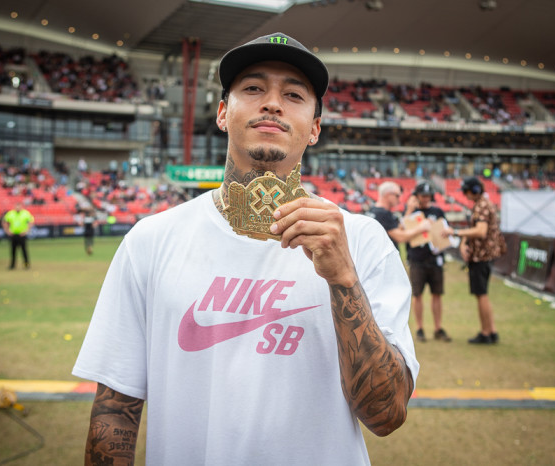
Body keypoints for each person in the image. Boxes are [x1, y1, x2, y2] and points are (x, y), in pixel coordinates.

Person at [73, 32, 419, 466]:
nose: (272, 103)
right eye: (253, 89)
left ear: (314, 128)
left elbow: (386, 415)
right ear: (222, 113)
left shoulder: (364, 241)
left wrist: (343, 279)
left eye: (293, 94)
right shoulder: (151, 240)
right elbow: (115, 412)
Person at [449, 177, 503, 344]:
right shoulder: (484, 204)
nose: (465, 195)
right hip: (484, 255)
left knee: (481, 295)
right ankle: (491, 330)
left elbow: (480, 231)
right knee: (483, 295)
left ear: (473, 190)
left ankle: (485, 332)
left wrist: (456, 233)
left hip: (481, 257)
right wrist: (465, 241)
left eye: (466, 191)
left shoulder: (481, 206)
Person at [404, 182, 452, 343]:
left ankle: (438, 328)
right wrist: (410, 210)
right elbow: (403, 230)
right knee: (417, 295)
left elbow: (445, 230)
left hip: (435, 259)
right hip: (417, 259)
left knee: (437, 294)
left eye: (428, 195)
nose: (425, 198)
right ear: (416, 196)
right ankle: (420, 328)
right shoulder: (412, 213)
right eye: (422, 195)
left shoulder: (437, 211)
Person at [366, 181, 432, 252]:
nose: (399, 199)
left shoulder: (373, 210)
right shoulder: (383, 213)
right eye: (397, 196)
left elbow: (397, 228)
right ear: (388, 195)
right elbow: (400, 237)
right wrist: (421, 228)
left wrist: (409, 211)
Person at [1, 202, 34, 270]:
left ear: (21, 207)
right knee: (13, 251)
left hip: (22, 235)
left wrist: (26, 231)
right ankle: (12, 265)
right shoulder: (10, 213)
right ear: (14, 206)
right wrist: (7, 231)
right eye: (16, 206)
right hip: (13, 234)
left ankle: (26, 265)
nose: (18, 207)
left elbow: (31, 221)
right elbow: (4, 221)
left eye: (19, 206)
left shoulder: (25, 213)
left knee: (24, 251)